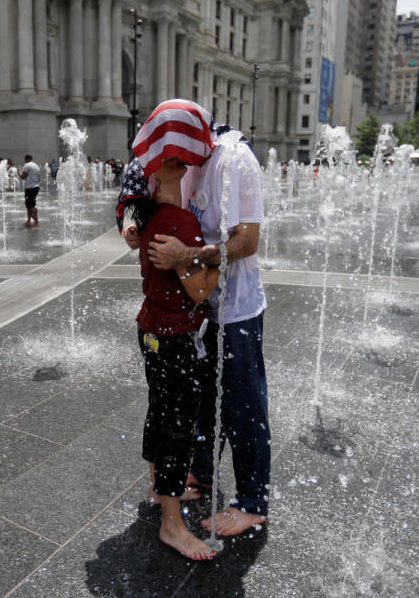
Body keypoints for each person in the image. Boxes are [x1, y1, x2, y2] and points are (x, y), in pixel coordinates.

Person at [120, 99, 270, 537]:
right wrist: (134, 223)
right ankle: (201, 475)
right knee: (203, 403)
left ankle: (253, 500)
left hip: (236, 308)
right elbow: (144, 194)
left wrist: (189, 255)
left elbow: (247, 241)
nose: (170, 162)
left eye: (172, 152)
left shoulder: (235, 160)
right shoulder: (187, 162)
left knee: (243, 404)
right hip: (197, 310)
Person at [129, 147, 221, 561]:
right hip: (175, 336)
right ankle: (172, 524)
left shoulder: (143, 218)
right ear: (176, 172)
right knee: (178, 424)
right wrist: (214, 257)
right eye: (179, 162)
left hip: (149, 329)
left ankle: (156, 484)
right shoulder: (181, 221)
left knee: (160, 408)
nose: (186, 166)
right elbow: (200, 289)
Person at [19, 154, 41, 227]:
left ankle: (36, 220)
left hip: (30, 187)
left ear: (26, 159)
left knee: (32, 204)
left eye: (25, 160)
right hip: (36, 187)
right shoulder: (36, 166)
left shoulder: (27, 165)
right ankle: (28, 220)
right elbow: (39, 178)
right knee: (28, 204)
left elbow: (23, 177)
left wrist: (19, 172)